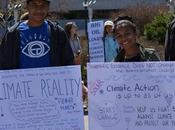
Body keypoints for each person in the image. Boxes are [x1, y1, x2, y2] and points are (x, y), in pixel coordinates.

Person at [0, 0, 74, 70]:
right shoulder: (12, 34)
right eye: (34, 5)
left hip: (52, 83)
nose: (39, 9)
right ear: (27, 6)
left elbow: (68, 62)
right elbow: (3, 64)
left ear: (48, 7)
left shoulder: (58, 33)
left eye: (43, 5)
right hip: (22, 83)